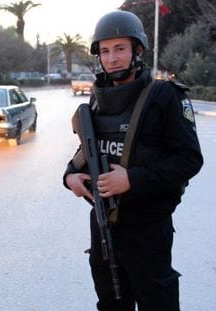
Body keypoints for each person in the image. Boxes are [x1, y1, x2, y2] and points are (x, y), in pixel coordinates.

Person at [63, 10, 203, 311]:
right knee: (111, 304)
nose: (112, 58)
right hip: (103, 225)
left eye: (120, 49)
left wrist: (132, 179)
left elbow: (188, 159)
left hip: (148, 229)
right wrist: (70, 176)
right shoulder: (97, 100)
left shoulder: (165, 96)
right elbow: (85, 153)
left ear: (137, 50)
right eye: (105, 51)